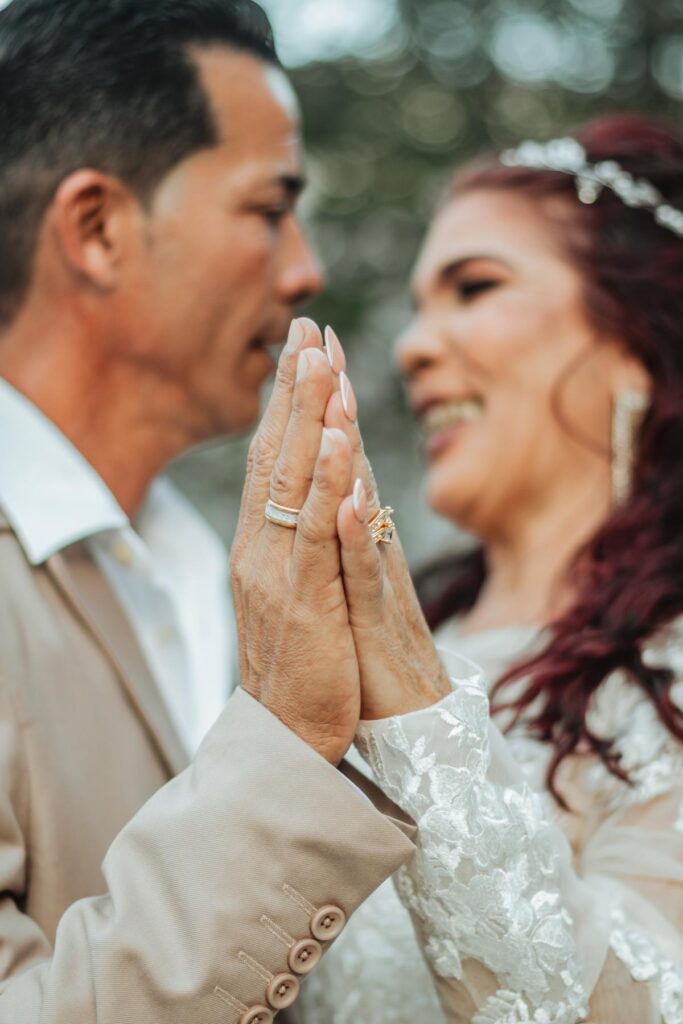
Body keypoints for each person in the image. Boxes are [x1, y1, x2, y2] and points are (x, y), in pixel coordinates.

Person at [0, 2, 422, 1021]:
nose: (304, 267)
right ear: (97, 228)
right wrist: (283, 737)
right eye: (269, 207)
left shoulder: (201, 562)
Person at [253, 115, 681, 1022]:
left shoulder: (669, 662)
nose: (413, 346)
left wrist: (403, 676)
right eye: (417, 305)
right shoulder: (389, 639)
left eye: (473, 287)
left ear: (634, 336)